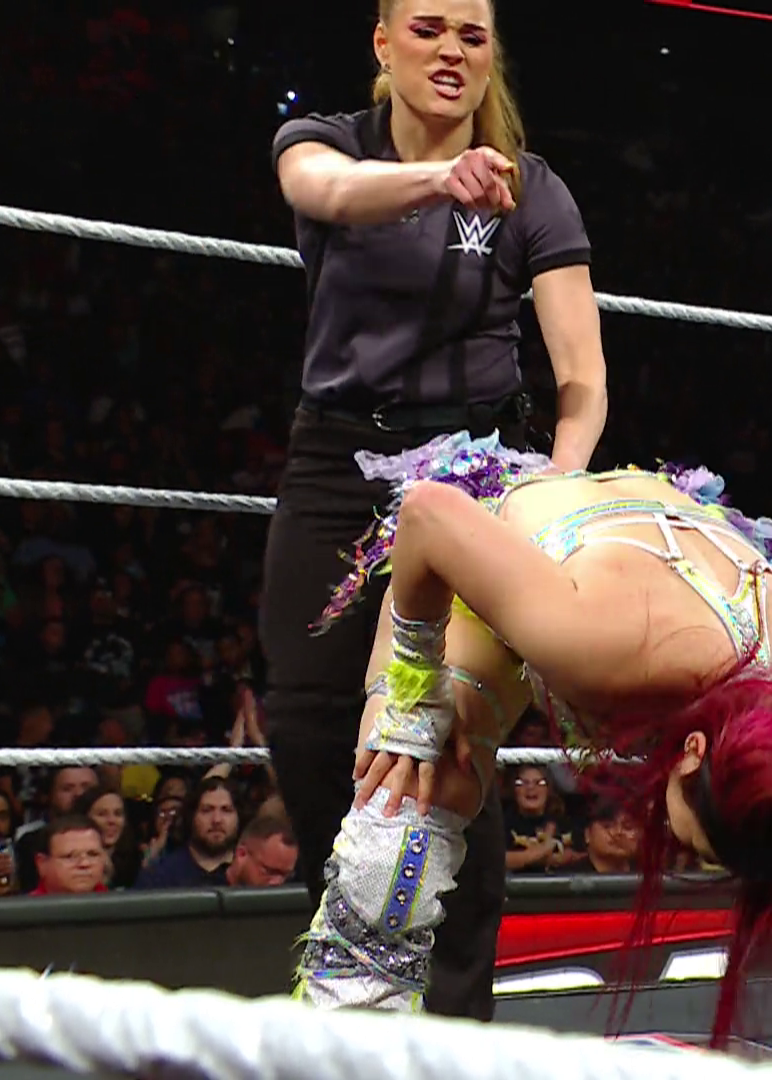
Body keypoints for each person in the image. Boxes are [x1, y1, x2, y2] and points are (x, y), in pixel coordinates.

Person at [290, 436, 772, 1078]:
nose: (681, 849)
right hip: (506, 537)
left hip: (672, 552)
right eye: (698, 844)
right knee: (415, 783)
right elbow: (429, 515)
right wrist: (412, 692)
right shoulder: (595, 641)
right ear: (692, 753)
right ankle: (346, 1041)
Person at [259, 0, 608, 1024]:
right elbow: (325, 191)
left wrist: (553, 493)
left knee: (447, 733)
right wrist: (439, 179)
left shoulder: (532, 188)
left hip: (471, 477)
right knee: (309, 719)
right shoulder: (325, 141)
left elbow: (581, 377)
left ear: (490, 53)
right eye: (427, 29)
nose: (451, 50)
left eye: (471, 34)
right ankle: (354, 964)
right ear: (383, 43)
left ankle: (454, 1021)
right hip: (337, 459)